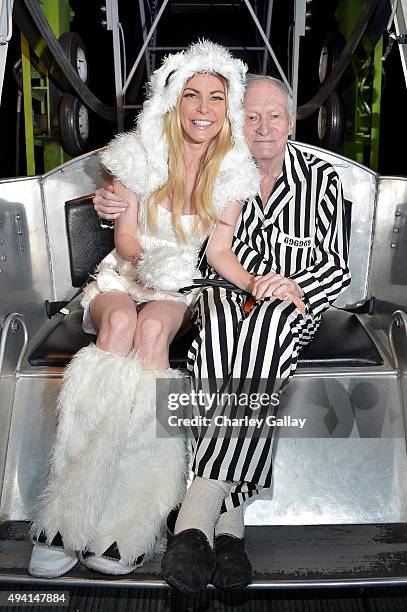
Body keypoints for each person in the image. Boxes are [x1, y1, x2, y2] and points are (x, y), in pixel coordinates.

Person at [94, 73, 351, 593]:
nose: (262, 126)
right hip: (223, 290)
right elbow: (211, 253)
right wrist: (115, 205)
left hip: (294, 300)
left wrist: (290, 286)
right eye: (250, 115)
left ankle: (201, 507)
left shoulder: (323, 179)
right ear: (238, 121)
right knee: (220, 334)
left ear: (291, 121)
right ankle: (231, 530)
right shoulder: (226, 174)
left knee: (267, 328)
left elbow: (338, 266)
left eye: (273, 115)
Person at [27, 40, 259, 579]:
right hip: (126, 274)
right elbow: (127, 242)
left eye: (216, 98)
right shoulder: (138, 153)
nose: (203, 109)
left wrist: (258, 284)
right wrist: (146, 265)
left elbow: (219, 253)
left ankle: (128, 523)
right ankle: (64, 516)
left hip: (177, 288)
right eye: (192, 96)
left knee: (153, 334)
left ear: (229, 107)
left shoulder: (235, 173)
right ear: (173, 101)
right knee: (120, 323)